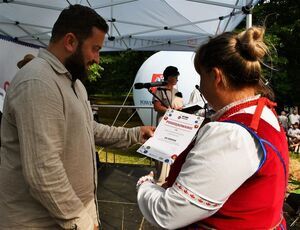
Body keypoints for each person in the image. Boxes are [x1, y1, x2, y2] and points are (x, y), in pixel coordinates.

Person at [0, 5, 154, 230]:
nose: (98, 59)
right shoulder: (38, 83)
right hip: (39, 222)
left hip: (68, 216)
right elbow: (44, 170)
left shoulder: (74, 83)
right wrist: (79, 220)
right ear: (70, 41)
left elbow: (87, 128)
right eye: (95, 49)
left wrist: (134, 134)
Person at [136, 26, 289, 229]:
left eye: (201, 77)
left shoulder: (231, 134)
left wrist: (145, 185)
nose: (201, 86)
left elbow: (168, 212)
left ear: (216, 76)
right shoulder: (263, 112)